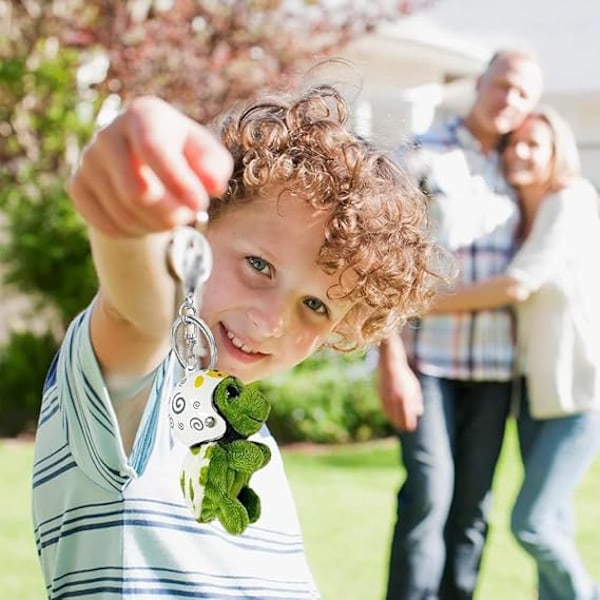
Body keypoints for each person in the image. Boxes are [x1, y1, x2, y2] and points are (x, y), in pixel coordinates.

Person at [31, 86, 443, 599]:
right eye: (258, 266)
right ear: (196, 232)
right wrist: (134, 195)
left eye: (315, 307)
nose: (271, 321)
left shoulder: (237, 425)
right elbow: (132, 310)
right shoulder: (149, 394)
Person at [378, 49, 544, 599]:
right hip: (428, 362)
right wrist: (391, 361)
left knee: (473, 509)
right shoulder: (423, 151)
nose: (510, 101)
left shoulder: (523, 165)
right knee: (429, 493)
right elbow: (383, 262)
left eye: (523, 94)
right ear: (480, 83)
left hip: (498, 371)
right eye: (503, 86)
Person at [431, 107, 600, 600]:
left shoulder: (570, 200)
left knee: (533, 523)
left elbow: (518, 285)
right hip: (533, 392)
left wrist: (421, 304)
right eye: (515, 143)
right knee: (556, 523)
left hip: (579, 390)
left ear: (556, 153)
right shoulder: (518, 215)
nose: (520, 152)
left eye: (535, 144)